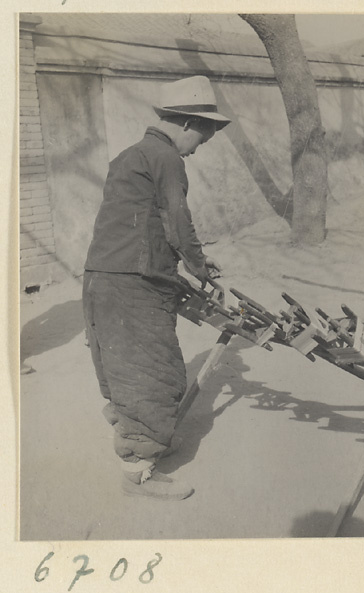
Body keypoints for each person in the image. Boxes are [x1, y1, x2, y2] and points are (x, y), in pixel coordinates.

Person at [82, 76, 231, 500]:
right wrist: (200, 266)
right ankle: (138, 472)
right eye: (205, 134)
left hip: (103, 277)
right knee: (152, 370)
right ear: (187, 122)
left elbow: (139, 227)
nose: (203, 144)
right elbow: (177, 222)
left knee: (122, 365)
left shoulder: (130, 155)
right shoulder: (166, 158)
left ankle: (144, 437)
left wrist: (181, 267)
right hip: (132, 284)